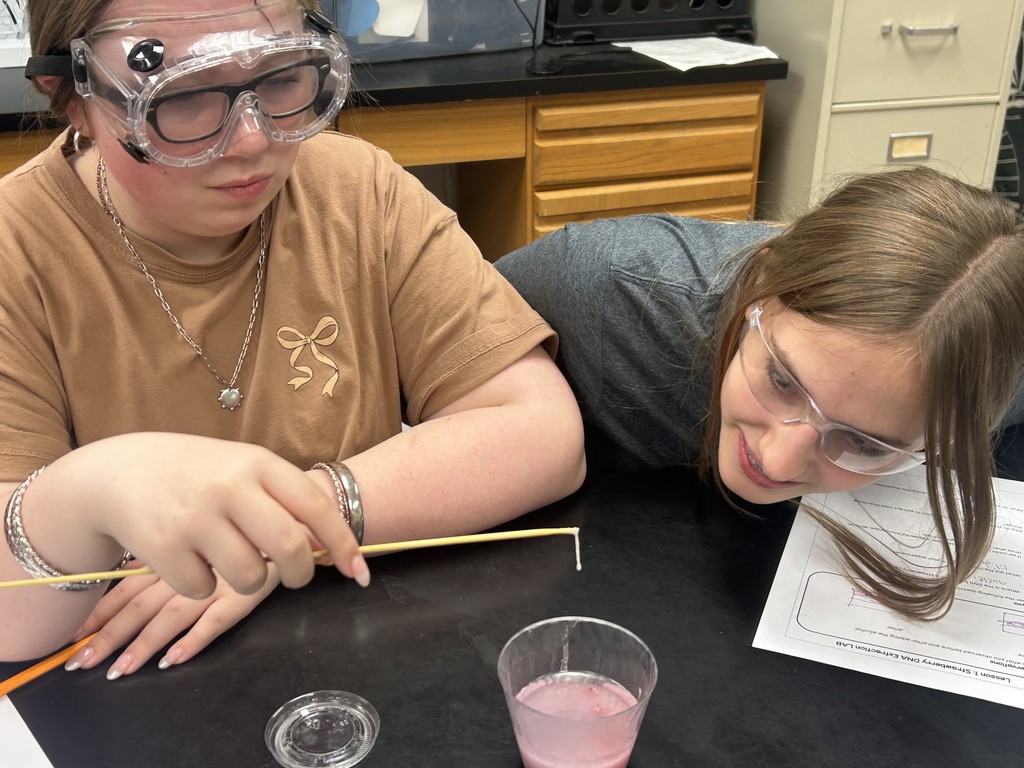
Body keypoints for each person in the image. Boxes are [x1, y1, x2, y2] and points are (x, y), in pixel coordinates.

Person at [0, 0, 586, 675]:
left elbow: (542, 431)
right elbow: (11, 620)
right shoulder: (19, 254)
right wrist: (87, 491)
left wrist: (285, 528)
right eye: (182, 97)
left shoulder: (357, 191)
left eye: (281, 78)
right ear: (72, 97)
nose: (253, 140)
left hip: (359, 649)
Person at [495, 166, 1024, 619]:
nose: (776, 460)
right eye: (782, 381)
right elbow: (451, 369)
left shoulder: (1004, 373)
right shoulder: (604, 287)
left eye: (864, 443)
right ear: (760, 286)